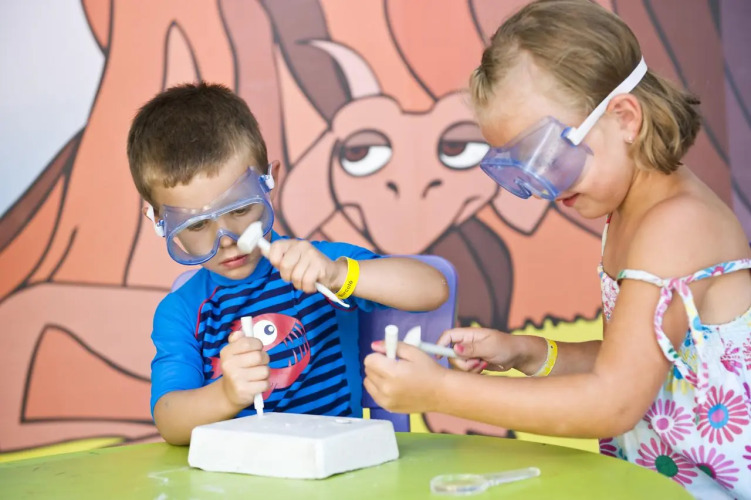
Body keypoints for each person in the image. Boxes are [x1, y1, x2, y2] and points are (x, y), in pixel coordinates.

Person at [362, 1, 751, 497]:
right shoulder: (630, 213)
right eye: (521, 168)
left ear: (624, 118)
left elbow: (614, 401)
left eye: (547, 157)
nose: (542, 187)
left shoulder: (676, 224)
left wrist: (441, 391)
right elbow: (635, 361)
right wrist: (528, 351)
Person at [127, 82, 448, 445]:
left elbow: (432, 288)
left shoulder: (320, 266)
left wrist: (339, 274)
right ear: (160, 221)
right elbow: (170, 422)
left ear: (269, 182)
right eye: (197, 225)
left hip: (338, 462)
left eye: (240, 209)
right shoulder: (182, 312)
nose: (228, 239)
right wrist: (227, 394)